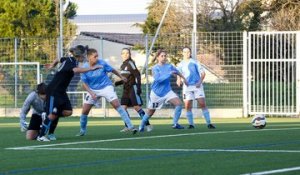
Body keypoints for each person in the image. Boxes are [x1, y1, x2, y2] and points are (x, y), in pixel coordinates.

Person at [37, 45, 101, 141]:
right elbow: (76, 70)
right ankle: (41, 135)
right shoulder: (71, 62)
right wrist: (91, 68)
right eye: (84, 55)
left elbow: (58, 59)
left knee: (68, 111)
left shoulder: (69, 59)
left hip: (61, 91)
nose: (85, 57)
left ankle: (50, 117)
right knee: (52, 114)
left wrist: (52, 65)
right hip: (54, 90)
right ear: (79, 55)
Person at [76, 48, 137, 136]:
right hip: (93, 90)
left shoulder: (102, 63)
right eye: (95, 56)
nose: (97, 58)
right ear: (89, 57)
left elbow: (112, 70)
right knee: (85, 111)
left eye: (97, 56)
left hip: (106, 87)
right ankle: (82, 131)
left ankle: (130, 126)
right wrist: (91, 92)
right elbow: (84, 84)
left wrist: (121, 76)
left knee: (117, 105)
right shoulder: (84, 68)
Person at [139, 49, 188, 132]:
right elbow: (158, 79)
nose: (164, 57)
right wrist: (169, 74)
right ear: (158, 57)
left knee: (179, 104)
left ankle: (175, 123)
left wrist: (182, 79)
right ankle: (141, 125)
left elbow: (177, 71)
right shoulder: (155, 68)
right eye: (162, 56)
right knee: (151, 111)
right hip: (156, 93)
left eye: (165, 56)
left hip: (168, 91)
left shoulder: (169, 66)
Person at [176, 47, 215, 129]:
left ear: (190, 53)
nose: (187, 53)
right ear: (182, 53)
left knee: (202, 104)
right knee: (187, 106)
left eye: (188, 52)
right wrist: (178, 79)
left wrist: (199, 82)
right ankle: (191, 124)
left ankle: (209, 123)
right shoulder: (180, 64)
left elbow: (203, 73)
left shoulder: (195, 62)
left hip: (197, 86)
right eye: (185, 52)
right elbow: (178, 73)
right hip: (187, 87)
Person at [115, 48, 152, 132]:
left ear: (129, 54)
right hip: (126, 89)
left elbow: (137, 75)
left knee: (136, 107)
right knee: (123, 108)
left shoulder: (130, 63)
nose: (125, 55)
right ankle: (128, 126)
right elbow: (126, 79)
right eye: (123, 53)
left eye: (127, 53)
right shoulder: (122, 65)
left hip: (132, 88)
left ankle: (148, 125)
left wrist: (138, 88)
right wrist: (117, 83)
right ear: (121, 55)